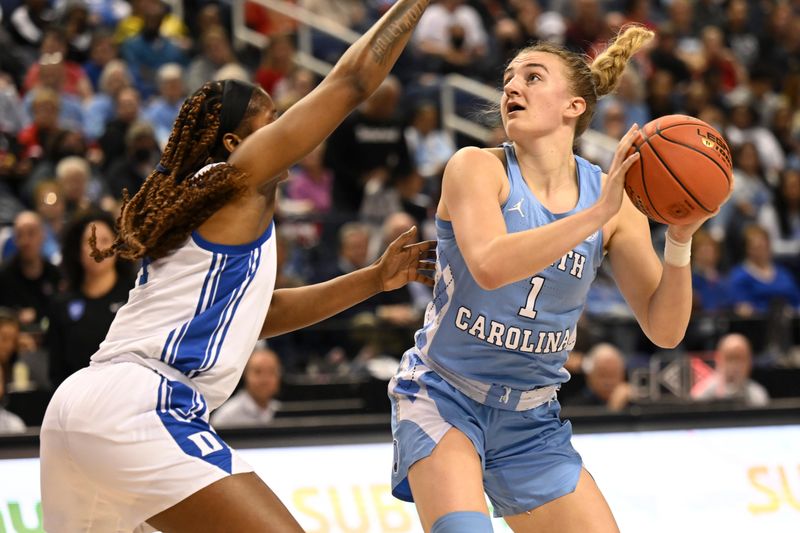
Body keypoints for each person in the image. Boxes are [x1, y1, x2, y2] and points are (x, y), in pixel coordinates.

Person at [39, 1, 435, 532]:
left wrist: (373, 279)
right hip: (144, 403)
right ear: (234, 143)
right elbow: (351, 82)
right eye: (272, 120)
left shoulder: (198, 211)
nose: (288, 127)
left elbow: (257, 316)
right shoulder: (239, 178)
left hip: (80, 405)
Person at [388, 25, 721, 533]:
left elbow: (665, 328)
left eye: (532, 76)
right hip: (445, 395)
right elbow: (491, 265)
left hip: (532, 418)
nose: (511, 88)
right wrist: (596, 215)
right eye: (508, 80)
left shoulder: (613, 203)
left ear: (574, 107)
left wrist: (680, 238)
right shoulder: (477, 168)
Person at [46, 211, 135, 389]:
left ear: (118, 246)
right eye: (90, 242)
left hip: (128, 395)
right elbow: (56, 370)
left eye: (104, 241)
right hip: (78, 400)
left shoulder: (135, 294)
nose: (97, 249)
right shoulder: (61, 304)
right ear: (77, 250)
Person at [211, 344, 283, 428]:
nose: (265, 379)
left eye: (271, 372)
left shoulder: (282, 410)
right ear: (245, 375)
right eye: (258, 372)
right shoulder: (226, 416)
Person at [692, 333, 769, 406]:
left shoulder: (758, 394)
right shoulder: (703, 393)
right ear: (718, 359)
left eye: (740, 358)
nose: (735, 365)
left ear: (749, 362)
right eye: (730, 358)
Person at [569, 343, 632, 412]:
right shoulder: (576, 408)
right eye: (603, 375)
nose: (608, 382)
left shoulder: (633, 402)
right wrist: (613, 408)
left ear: (622, 374)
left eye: (613, 375)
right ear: (589, 376)